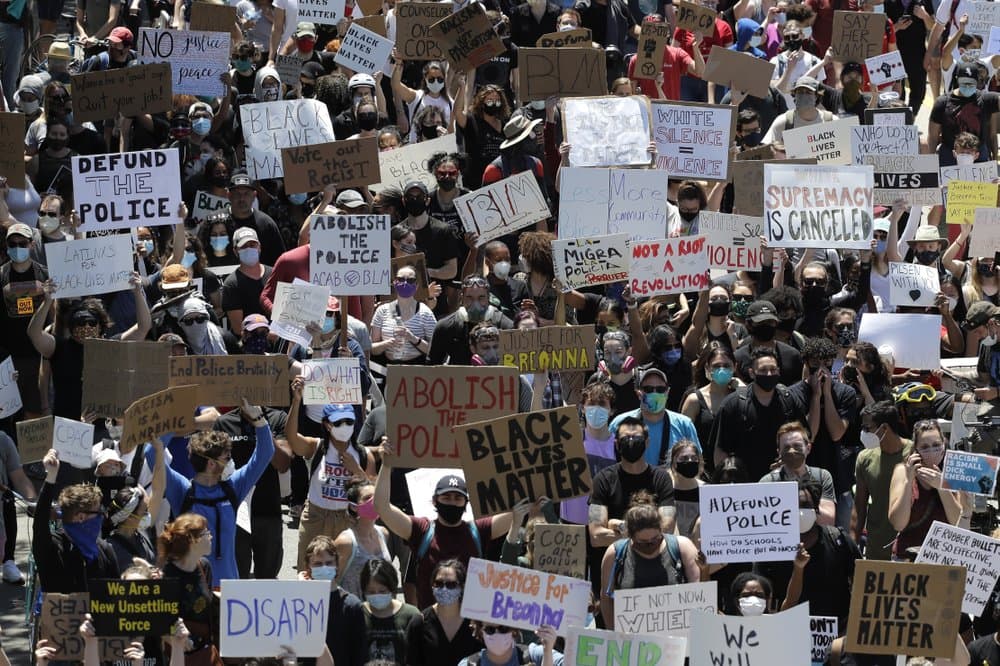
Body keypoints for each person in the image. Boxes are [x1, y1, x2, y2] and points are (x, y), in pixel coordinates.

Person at [374, 451, 515, 609]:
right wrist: (386, 465)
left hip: (468, 628)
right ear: (435, 501)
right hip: (430, 626)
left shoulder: (479, 530)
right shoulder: (421, 530)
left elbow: (515, 513)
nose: (452, 503)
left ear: (466, 503)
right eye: (446, 498)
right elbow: (382, 507)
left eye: (458, 498)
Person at [163, 399, 275, 586]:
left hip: (228, 588)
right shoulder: (182, 490)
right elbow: (152, 455)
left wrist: (258, 419)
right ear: (211, 464)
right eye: (227, 457)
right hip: (191, 588)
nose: (230, 462)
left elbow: (265, 453)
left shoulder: (232, 487)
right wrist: (174, 420)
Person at [286, 389, 374, 572]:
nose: (345, 426)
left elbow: (372, 498)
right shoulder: (316, 447)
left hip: (347, 520)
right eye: (338, 422)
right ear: (327, 425)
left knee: (344, 574)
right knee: (309, 572)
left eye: (349, 421)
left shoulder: (363, 455)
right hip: (316, 517)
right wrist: (296, 401)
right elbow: (292, 438)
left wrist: (356, 470)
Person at [756, 479, 860, 622]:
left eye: (805, 505)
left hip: (837, 633)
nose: (799, 511)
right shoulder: (770, 549)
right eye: (793, 507)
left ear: (816, 509)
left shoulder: (839, 541)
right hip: (788, 630)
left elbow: (860, 583)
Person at [599, 491, 702, 629]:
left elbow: (700, 594)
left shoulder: (682, 547)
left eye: (655, 540)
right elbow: (606, 600)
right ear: (630, 536)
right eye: (643, 542)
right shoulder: (615, 554)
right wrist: (614, 634)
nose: (650, 545)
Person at [711, 347, 807, 481]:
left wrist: (791, 461)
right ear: (751, 373)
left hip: (784, 481)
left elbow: (805, 437)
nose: (768, 374)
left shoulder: (789, 400)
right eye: (762, 370)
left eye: (773, 370)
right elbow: (721, 450)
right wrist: (727, 481)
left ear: (779, 371)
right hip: (746, 484)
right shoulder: (733, 404)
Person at [34, 450, 121, 593]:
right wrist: (51, 476)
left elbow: (118, 597)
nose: (103, 517)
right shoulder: (54, 548)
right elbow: (40, 523)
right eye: (98, 513)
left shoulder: (105, 550)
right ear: (81, 517)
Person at [588, 416, 676, 556]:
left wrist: (618, 526)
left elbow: (667, 529)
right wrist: (646, 538)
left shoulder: (661, 478)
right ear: (617, 444)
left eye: (636, 438)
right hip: (614, 564)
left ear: (646, 442)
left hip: (653, 563)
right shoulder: (603, 479)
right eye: (625, 438)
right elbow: (596, 536)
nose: (631, 442)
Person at [889, 419, 964, 559]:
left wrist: (942, 488)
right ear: (916, 449)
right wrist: (909, 480)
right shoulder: (902, 471)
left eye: (936, 445)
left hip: (943, 557)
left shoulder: (952, 472)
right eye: (924, 447)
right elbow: (898, 523)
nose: (931, 451)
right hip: (907, 556)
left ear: (944, 444)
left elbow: (957, 522)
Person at [157, 513, 220, 663]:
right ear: (193, 540)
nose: (211, 536)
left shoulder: (204, 566)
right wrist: (175, 640)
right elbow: (158, 619)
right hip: (177, 655)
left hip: (204, 652)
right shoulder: (166, 575)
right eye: (206, 533)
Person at [609, 367, 700, 466]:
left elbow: (698, 462)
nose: (655, 393)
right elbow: (609, 460)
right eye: (648, 389)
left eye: (660, 389)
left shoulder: (684, 424)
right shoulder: (620, 423)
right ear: (639, 393)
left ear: (667, 392)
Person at [406, 559, 484, 666]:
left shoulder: (476, 623)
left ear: (462, 587)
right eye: (438, 584)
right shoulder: (419, 623)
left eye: (451, 584)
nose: (444, 589)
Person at [760, 422, 836, 523]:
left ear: (808, 448)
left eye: (797, 446)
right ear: (779, 452)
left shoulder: (821, 476)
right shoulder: (768, 482)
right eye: (786, 447)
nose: (792, 451)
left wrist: (806, 502)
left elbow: (829, 519)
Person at [334, 479, 391, 599]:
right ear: (354, 507)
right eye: (367, 498)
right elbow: (334, 581)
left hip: (379, 611)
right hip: (354, 612)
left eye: (376, 496)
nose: (374, 501)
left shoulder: (383, 533)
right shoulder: (346, 542)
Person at [360, 558, 421, 664]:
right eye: (371, 592)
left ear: (392, 588)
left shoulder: (411, 615)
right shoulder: (358, 613)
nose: (377, 595)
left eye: (382, 591)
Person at [458, 623, 561, 666]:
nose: (497, 634)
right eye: (490, 630)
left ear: (513, 630)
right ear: (480, 631)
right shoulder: (467, 664)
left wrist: (547, 651)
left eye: (503, 629)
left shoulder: (534, 655)